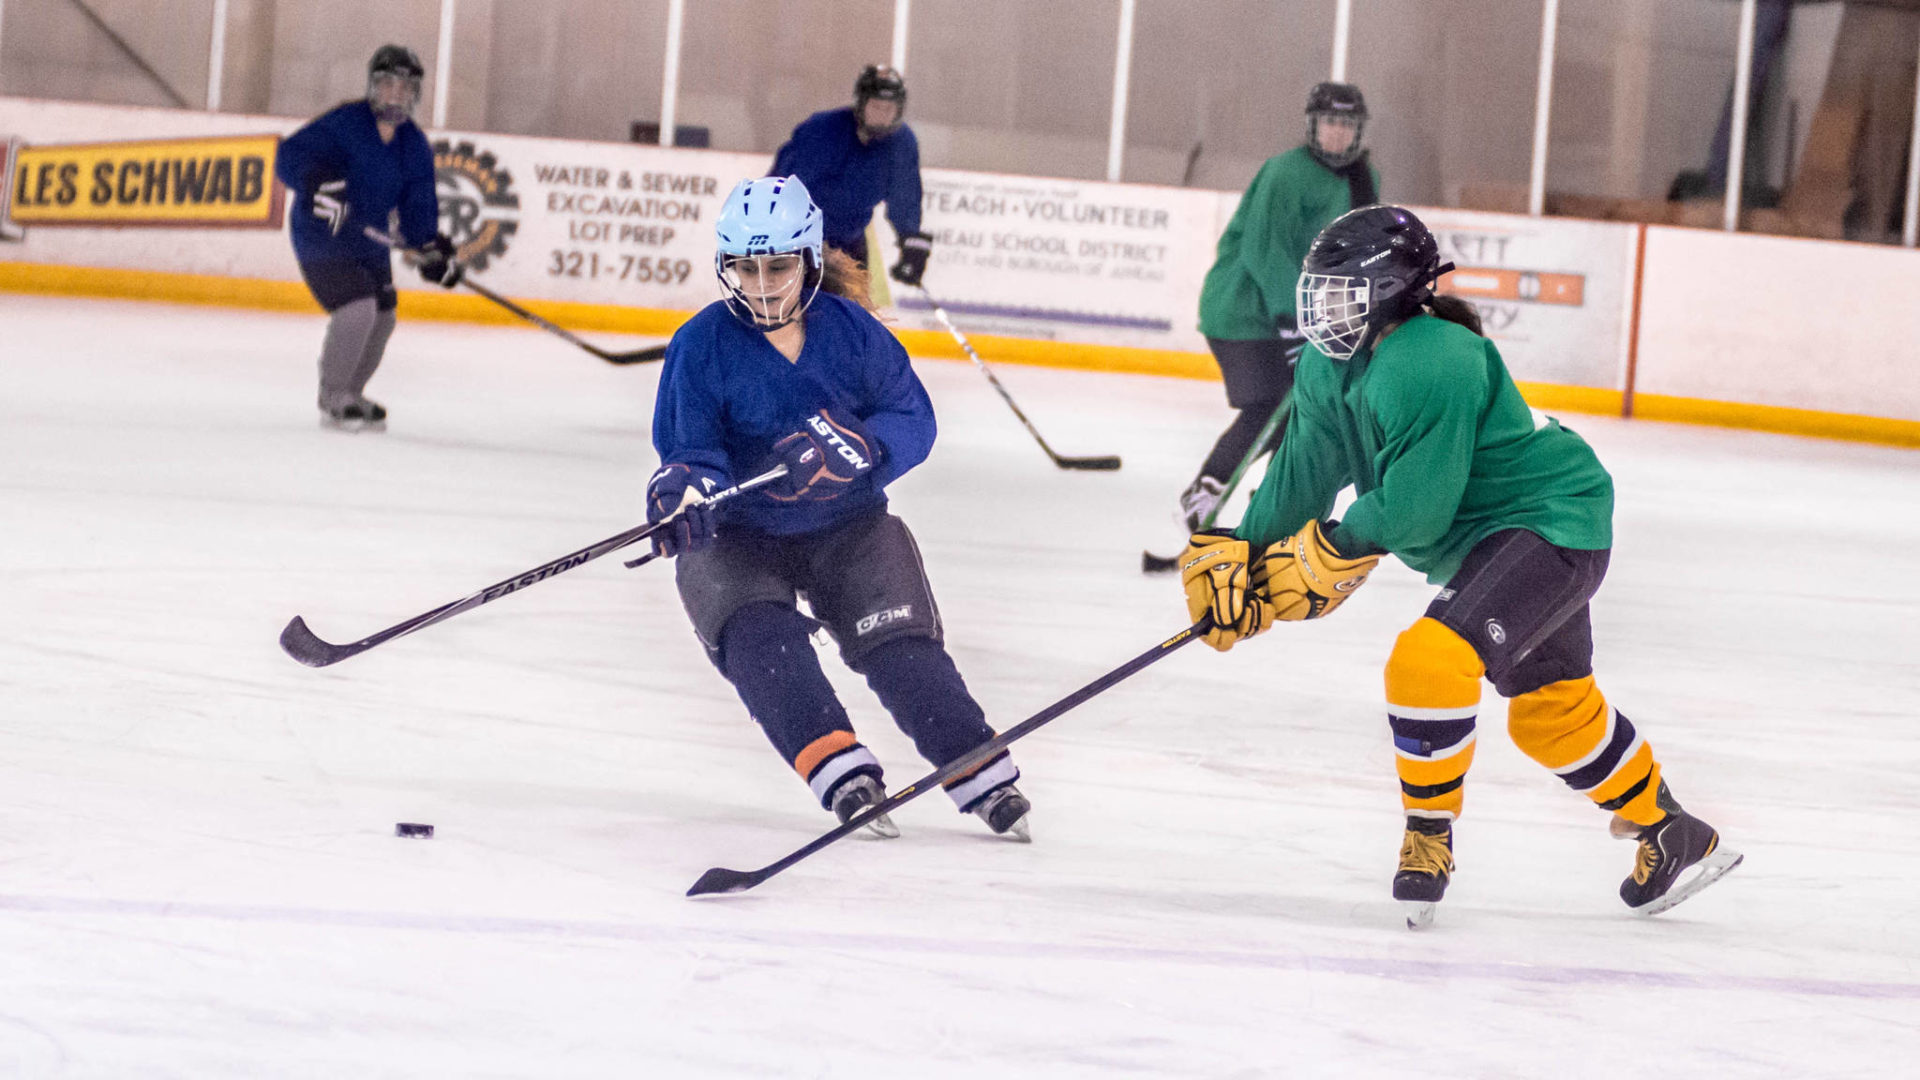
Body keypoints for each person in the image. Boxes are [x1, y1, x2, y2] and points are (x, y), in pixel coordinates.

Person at [1179, 204, 1741, 928]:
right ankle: (1673, 829)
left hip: (1552, 523)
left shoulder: (1432, 359)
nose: (1319, 309)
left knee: (1428, 661)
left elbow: (1414, 513)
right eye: (1315, 290)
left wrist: (1329, 551)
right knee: (1552, 716)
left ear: (1390, 292)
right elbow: (1301, 473)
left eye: (1340, 292)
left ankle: (1428, 837)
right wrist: (1244, 552)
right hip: (1498, 540)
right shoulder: (1328, 363)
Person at [647, 174, 1029, 840]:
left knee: (901, 650)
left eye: (778, 265)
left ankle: (976, 769)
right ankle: (842, 771)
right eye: (745, 266)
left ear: (811, 260)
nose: (762, 283)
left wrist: (866, 448)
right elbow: (689, 448)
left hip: (849, 528)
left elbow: (913, 416)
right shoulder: (700, 345)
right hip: (740, 536)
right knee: (763, 644)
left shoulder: (853, 332)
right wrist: (684, 491)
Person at [1179, 81, 1378, 533]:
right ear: (1312, 125)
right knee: (1269, 403)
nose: (1337, 133)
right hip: (1242, 309)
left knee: (1301, 411)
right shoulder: (1285, 173)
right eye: (1330, 122)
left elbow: (1359, 249)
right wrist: (1293, 321)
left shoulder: (1364, 179)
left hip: (1302, 314)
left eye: (1347, 124)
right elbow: (1263, 251)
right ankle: (1205, 491)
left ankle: (1270, 501)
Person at [274, 44, 461, 431]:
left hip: (369, 243)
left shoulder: (413, 146)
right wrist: (317, 180)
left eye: (405, 88)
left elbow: (418, 204)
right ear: (372, 86)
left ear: (415, 95)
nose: (396, 94)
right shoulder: (345, 122)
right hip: (322, 235)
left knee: (385, 315)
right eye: (388, 84)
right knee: (358, 309)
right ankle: (333, 394)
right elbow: (289, 155)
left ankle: (352, 392)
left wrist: (429, 248)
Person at [770, 65, 931, 289]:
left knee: (853, 315)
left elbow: (904, 197)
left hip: (849, 244)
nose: (883, 115)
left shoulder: (901, 143)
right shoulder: (822, 130)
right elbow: (784, 186)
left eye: (889, 109)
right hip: (798, 242)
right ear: (861, 102)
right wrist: (799, 242)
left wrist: (910, 240)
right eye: (876, 107)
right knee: (795, 312)